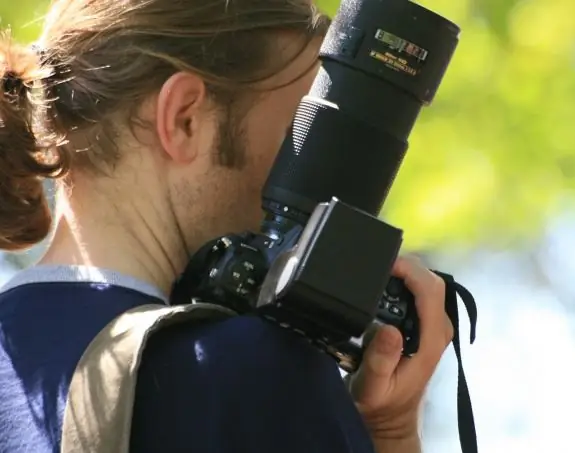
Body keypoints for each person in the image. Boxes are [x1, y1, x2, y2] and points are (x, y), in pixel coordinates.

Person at [0, 0, 455, 452]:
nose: (313, 187)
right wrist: (392, 437)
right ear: (184, 119)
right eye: (296, 136)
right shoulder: (250, 371)